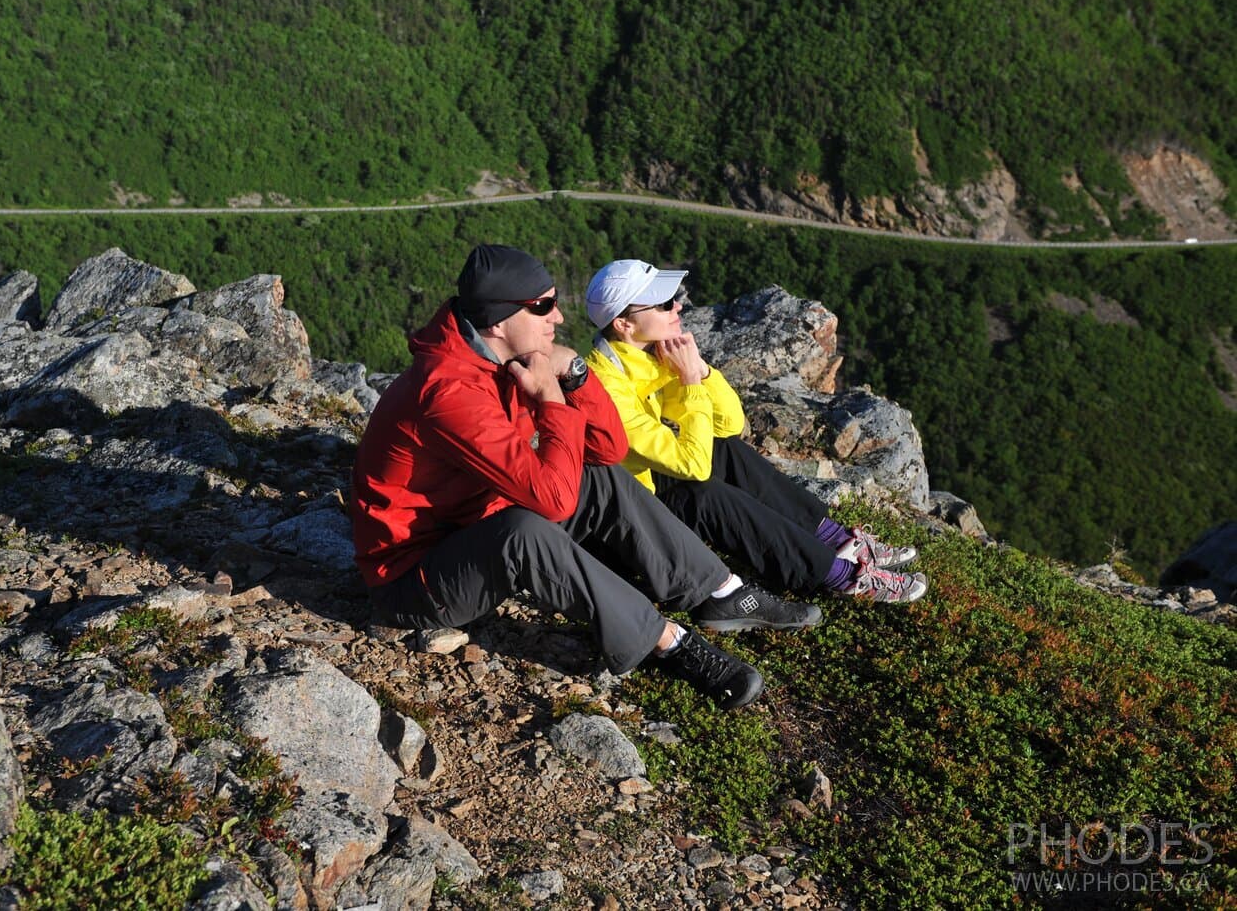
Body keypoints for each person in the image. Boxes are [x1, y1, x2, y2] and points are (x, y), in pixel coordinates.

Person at [349, 244, 823, 711]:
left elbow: (608, 449)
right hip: (415, 577)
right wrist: (553, 401)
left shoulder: (499, 361)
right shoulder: (450, 392)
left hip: (475, 525)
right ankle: (668, 642)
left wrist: (574, 376)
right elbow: (552, 504)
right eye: (543, 307)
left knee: (597, 479)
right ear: (497, 322)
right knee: (525, 532)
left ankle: (720, 593)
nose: (557, 317)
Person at [583, 259, 928, 604]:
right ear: (624, 324)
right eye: (662, 304)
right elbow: (694, 467)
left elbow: (729, 425)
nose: (677, 306)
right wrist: (689, 383)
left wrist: (700, 372)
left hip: (645, 491)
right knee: (705, 498)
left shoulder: (649, 359)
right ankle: (839, 576)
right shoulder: (606, 389)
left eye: (673, 297)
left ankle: (838, 541)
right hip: (628, 526)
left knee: (723, 449)